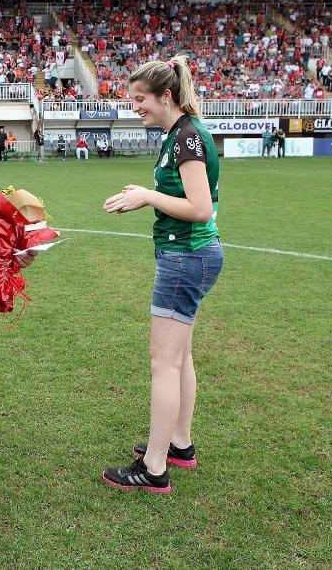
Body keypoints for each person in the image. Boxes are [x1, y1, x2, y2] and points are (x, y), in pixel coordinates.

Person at [101, 56, 223, 493]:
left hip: (185, 257)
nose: (135, 107)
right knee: (179, 357)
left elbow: (200, 208)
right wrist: (145, 193)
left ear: (165, 96)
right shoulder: (181, 133)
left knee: (164, 362)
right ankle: (179, 444)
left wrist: (148, 197)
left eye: (140, 99)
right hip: (191, 255)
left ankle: (154, 468)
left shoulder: (187, 137)